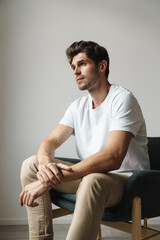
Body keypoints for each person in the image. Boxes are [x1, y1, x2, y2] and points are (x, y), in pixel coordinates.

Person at [19, 41, 150, 240]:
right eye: (73, 67)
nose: (76, 71)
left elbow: (113, 157)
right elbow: (50, 142)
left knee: (92, 181)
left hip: (128, 181)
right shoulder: (77, 107)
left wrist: (50, 181)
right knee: (32, 165)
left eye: (82, 64)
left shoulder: (122, 99)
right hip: (91, 174)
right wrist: (46, 170)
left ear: (102, 66)